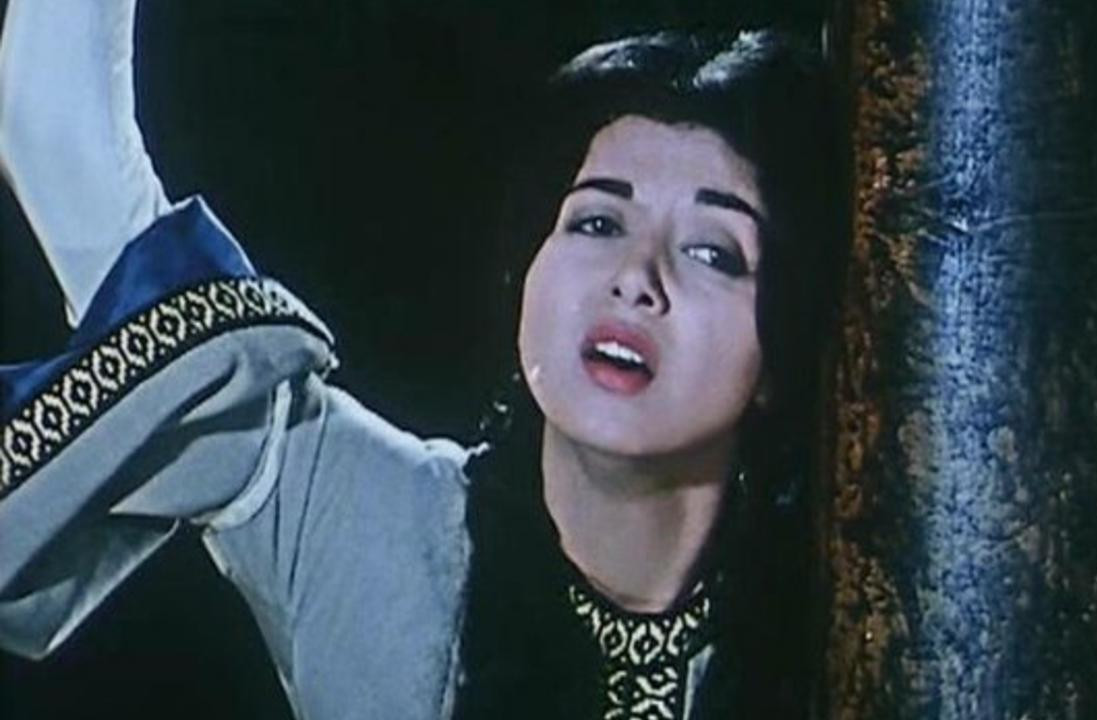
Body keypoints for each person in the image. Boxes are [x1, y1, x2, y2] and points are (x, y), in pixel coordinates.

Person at [0, 1, 840, 718]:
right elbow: (61, 143)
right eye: (597, 222)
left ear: (783, 350)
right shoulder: (371, 520)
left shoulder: (856, 617)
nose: (635, 278)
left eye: (713, 252)